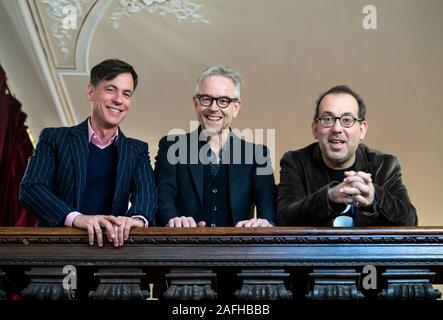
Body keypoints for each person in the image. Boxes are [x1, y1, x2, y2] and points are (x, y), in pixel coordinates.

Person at [20, 59, 157, 246]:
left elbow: (147, 191)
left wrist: (137, 219)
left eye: (126, 94)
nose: (119, 99)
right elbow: (31, 188)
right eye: (111, 89)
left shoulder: (137, 150)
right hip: (55, 250)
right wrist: (77, 218)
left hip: (112, 252)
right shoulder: (54, 138)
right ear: (91, 92)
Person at [278, 85, 417, 227]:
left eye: (347, 120)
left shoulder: (384, 165)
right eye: (327, 119)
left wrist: (374, 197)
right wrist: (329, 197)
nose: (337, 129)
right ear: (315, 129)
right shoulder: (295, 163)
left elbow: (410, 221)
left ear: (362, 130)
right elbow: (284, 220)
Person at [155, 65, 276, 227]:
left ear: (236, 107)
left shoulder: (257, 155)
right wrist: (172, 220)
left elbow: (268, 208)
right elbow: (162, 196)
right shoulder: (172, 147)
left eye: (223, 101)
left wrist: (265, 223)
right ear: (195, 103)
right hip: (183, 248)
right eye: (206, 99)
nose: (213, 108)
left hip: (239, 250)